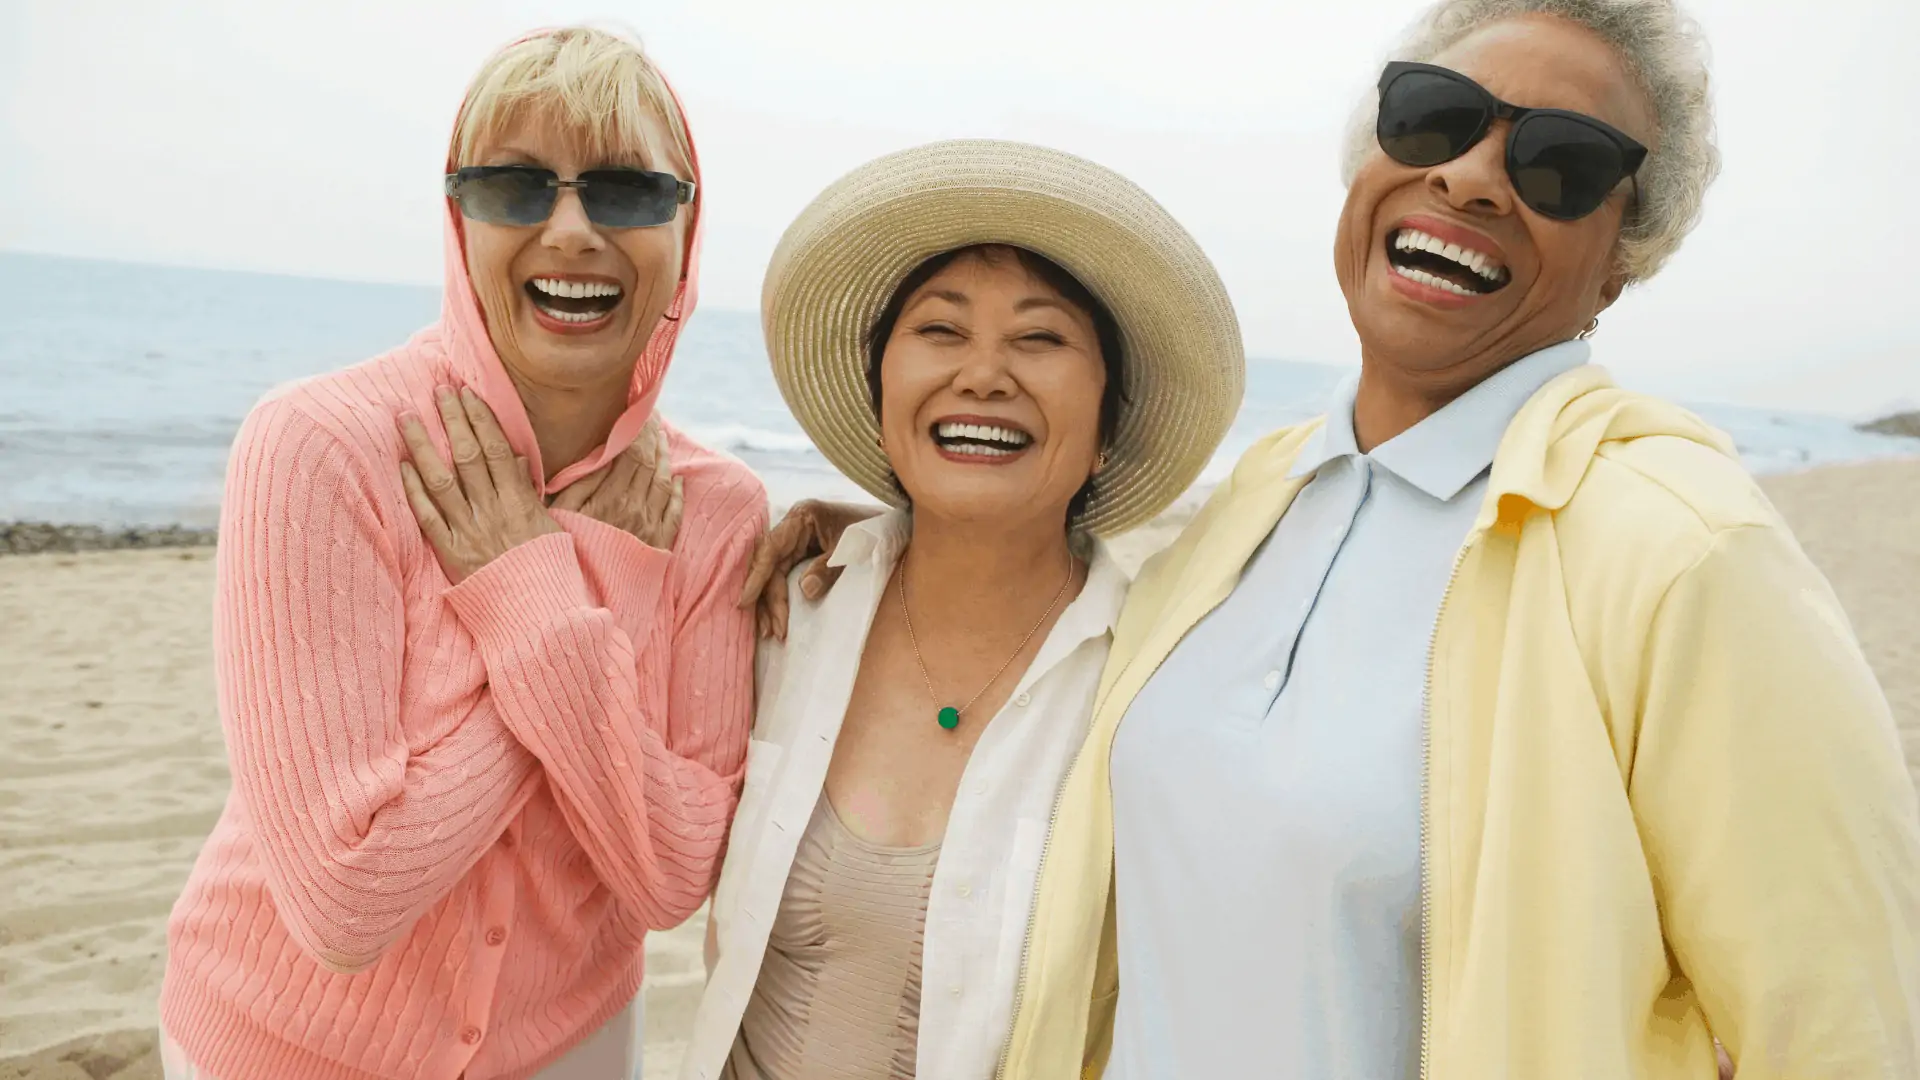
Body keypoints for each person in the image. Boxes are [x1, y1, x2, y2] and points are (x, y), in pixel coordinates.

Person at [751, 2, 1920, 1077]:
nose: (1469, 176)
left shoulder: (1685, 552)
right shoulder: (1263, 502)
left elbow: (1845, 1032)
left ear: (1623, 256)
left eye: (1560, 163)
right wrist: (919, 532)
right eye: (1435, 119)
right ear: (1368, 163)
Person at [158, 27, 766, 1080]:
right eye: (516, 186)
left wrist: (538, 598)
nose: (571, 230)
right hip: (276, 1049)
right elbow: (347, 898)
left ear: (687, 227)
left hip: (569, 1044)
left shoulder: (716, 511)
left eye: (626, 192)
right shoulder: (320, 447)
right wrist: (585, 590)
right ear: (458, 221)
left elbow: (671, 877)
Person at [679, 141, 1243, 1080]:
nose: (983, 375)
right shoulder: (785, 608)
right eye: (941, 331)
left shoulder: (1149, 692)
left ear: (1108, 430)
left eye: (1040, 339)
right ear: (882, 393)